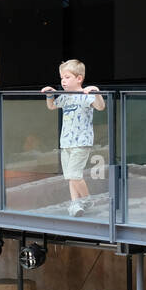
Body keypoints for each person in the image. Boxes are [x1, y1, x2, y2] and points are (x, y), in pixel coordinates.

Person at [41, 59, 105, 216]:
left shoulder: (86, 95)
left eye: (67, 77)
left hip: (81, 142)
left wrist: (96, 92)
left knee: (74, 174)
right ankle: (75, 204)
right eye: (62, 77)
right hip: (66, 142)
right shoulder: (65, 96)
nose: (63, 81)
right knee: (71, 175)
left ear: (79, 78)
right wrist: (50, 95)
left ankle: (87, 199)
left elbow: (100, 106)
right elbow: (52, 106)